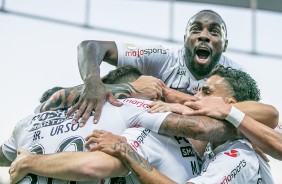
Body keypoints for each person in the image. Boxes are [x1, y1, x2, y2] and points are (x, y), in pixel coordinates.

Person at [8, 66, 276, 183]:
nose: (194, 98)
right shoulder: (148, 124)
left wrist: (31, 162)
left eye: (204, 93)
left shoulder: (240, 154)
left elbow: (270, 115)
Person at [68, 9, 249, 125]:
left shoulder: (235, 75)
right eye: (195, 29)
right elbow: (90, 46)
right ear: (185, 40)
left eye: (214, 32)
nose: (204, 36)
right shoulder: (164, 57)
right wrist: (92, 81)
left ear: (225, 45)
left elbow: (259, 115)